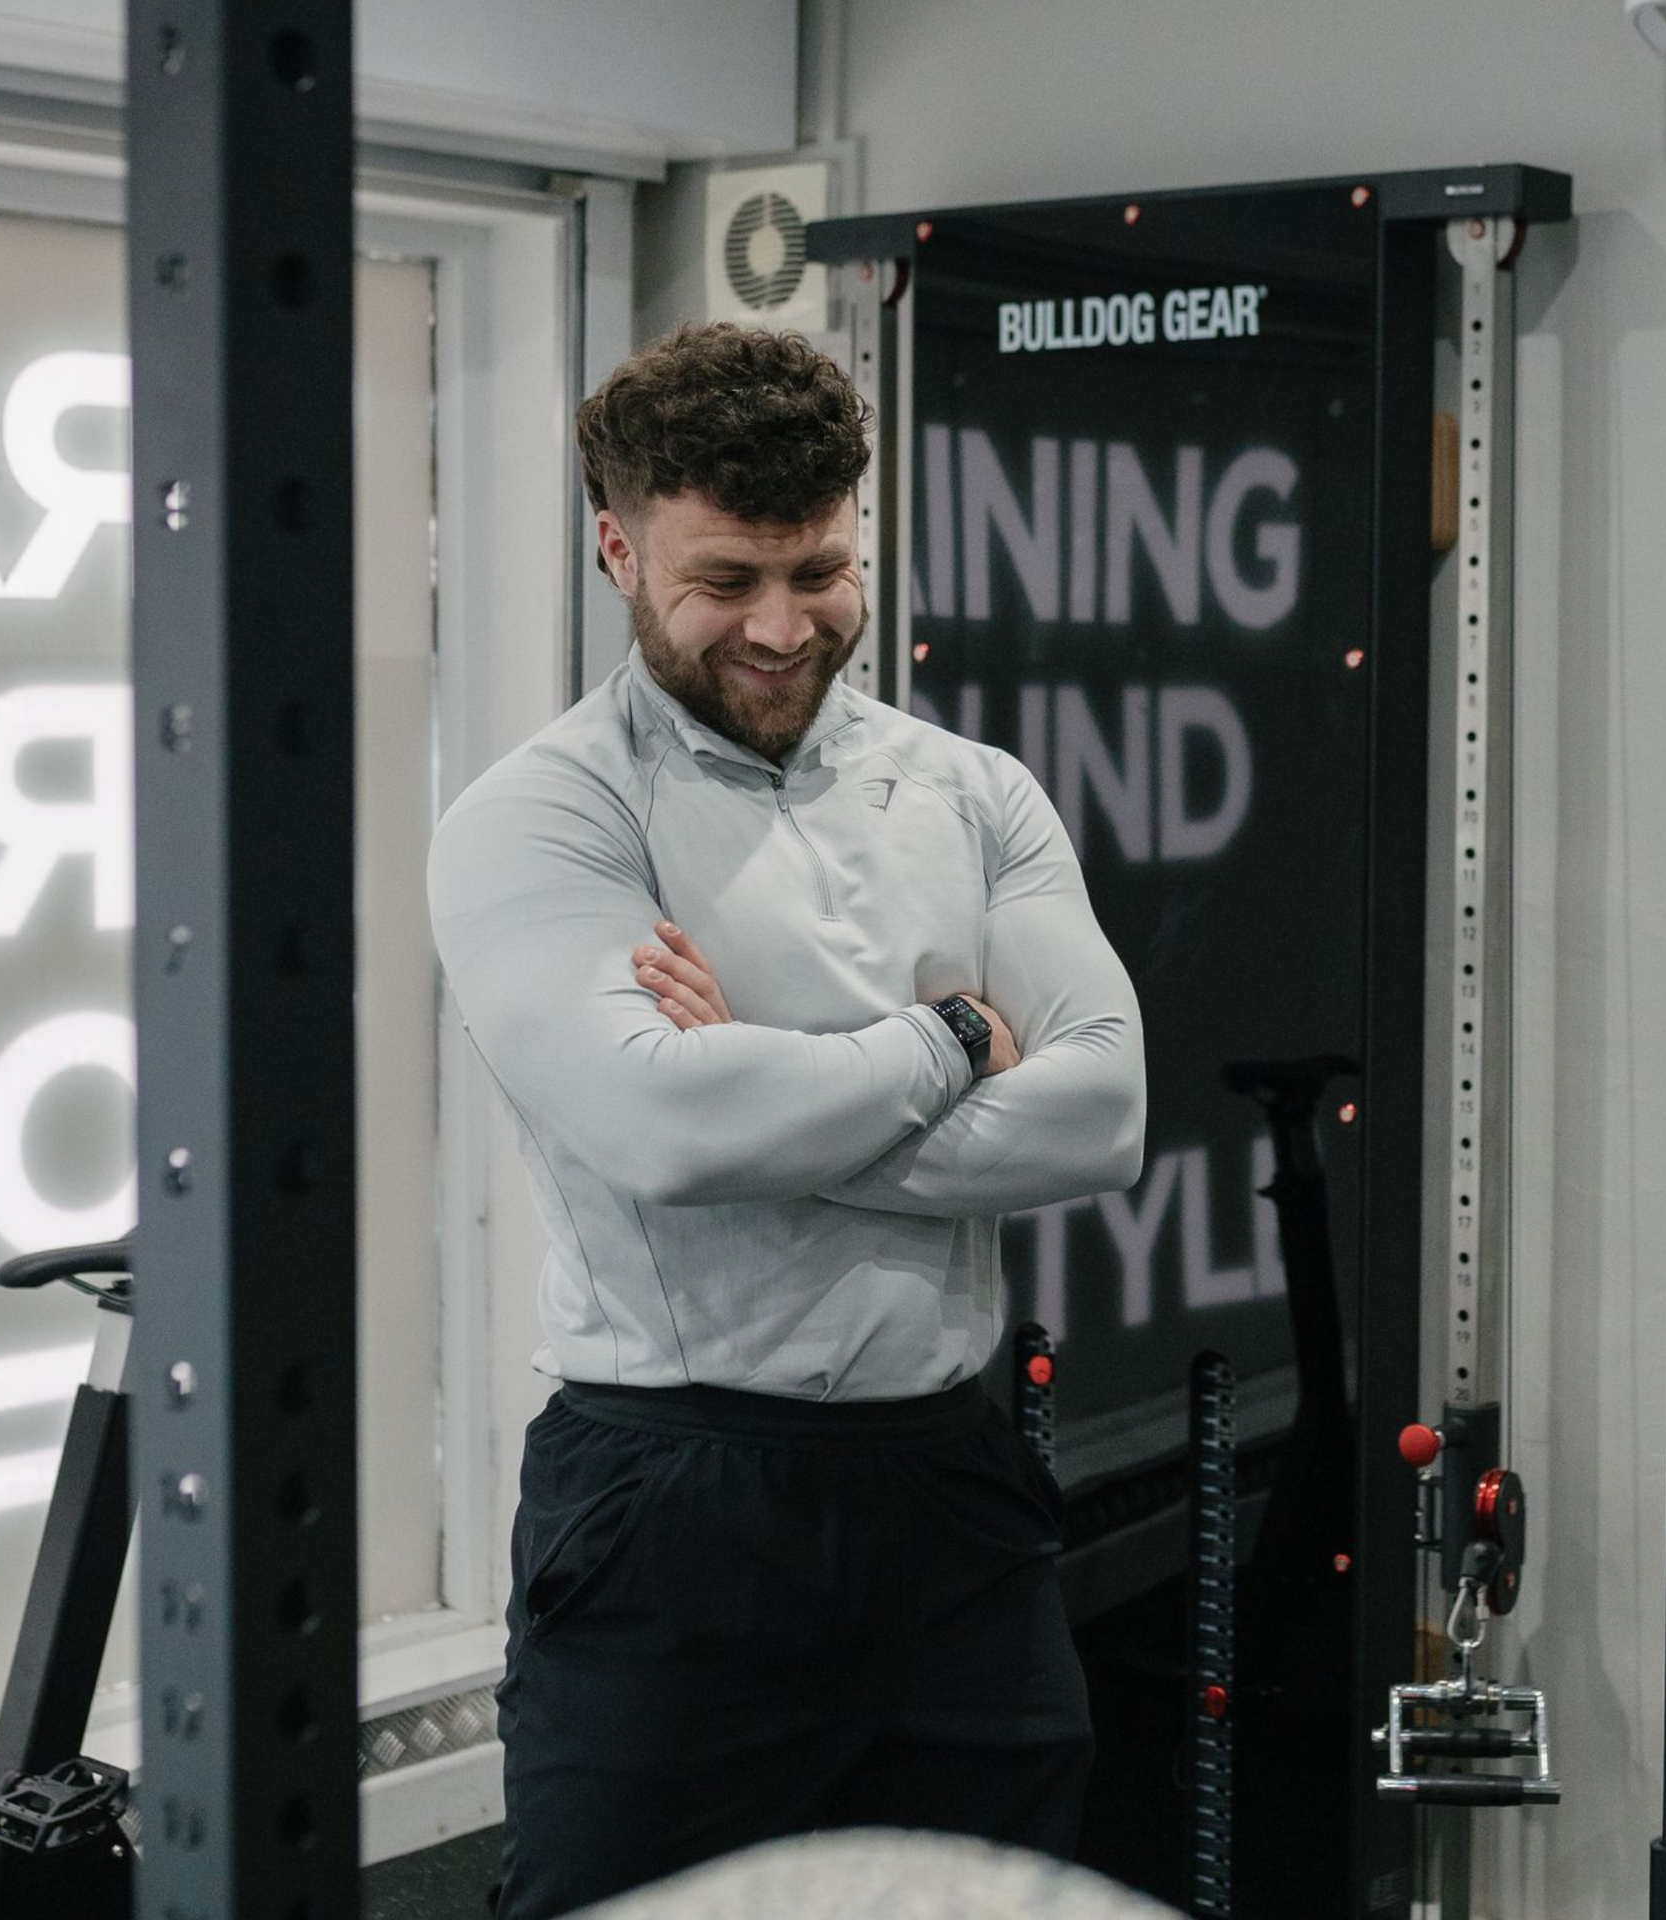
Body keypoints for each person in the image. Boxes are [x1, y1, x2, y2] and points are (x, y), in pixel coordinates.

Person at [425, 321, 1148, 1920]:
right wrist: (955, 1036)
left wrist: (770, 1077)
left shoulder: (974, 792)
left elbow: (1098, 1116)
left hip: (953, 1490)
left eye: (818, 570)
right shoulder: (544, 815)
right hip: (677, 1505)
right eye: (725, 578)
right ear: (617, 547)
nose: (779, 624)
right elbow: (669, 1135)